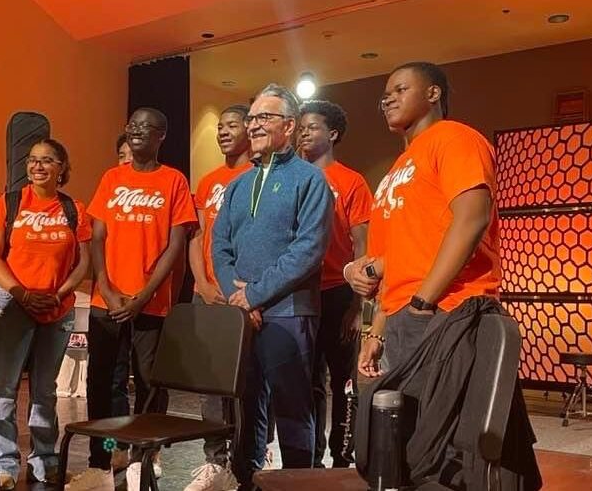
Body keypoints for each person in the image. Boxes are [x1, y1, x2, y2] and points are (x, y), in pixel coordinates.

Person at [67, 107, 198, 491]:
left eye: (146, 127)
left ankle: (145, 455)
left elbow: (175, 246)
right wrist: (106, 288)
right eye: (132, 126)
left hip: (151, 303)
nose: (137, 131)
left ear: (161, 136)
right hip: (106, 301)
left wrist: (143, 296)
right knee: (102, 383)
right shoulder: (112, 178)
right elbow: (98, 236)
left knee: (149, 382)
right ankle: (103, 457)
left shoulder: (173, 181)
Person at [344, 61, 500, 377]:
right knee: (404, 422)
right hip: (403, 314)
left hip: (446, 306)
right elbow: (395, 260)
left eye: (400, 90)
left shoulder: (454, 137)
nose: (388, 100)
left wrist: (423, 302)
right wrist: (377, 329)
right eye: (385, 95)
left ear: (433, 93)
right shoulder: (399, 166)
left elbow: (472, 218)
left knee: (443, 423)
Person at [213, 83, 333, 488]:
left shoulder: (310, 180)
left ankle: (301, 481)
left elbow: (308, 250)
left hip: (289, 312)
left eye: (265, 117)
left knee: (294, 407)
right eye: (252, 118)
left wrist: (255, 294)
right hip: (244, 313)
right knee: (247, 404)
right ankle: (248, 479)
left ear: (290, 125)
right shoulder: (237, 186)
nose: (255, 125)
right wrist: (238, 296)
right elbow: (220, 245)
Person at [0, 139, 91, 489]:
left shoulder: (74, 209)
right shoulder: (10, 203)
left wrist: (58, 294)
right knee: (4, 388)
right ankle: (3, 465)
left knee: (45, 391)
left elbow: (83, 262)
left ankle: (44, 461)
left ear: (62, 167)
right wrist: (21, 293)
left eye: (47, 160)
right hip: (14, 304)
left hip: (57, 308)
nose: (38, 166)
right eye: (32, 160)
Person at [298, 99, 373, 468]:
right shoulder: (293, 176)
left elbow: (363, 245)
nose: (303, 133)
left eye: (311, 127)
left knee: (343, 381)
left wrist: (359, 307)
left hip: (339, 294)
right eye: (301, 127)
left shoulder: (351, 181)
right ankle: (309, 458)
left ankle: (342, 457)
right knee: (309, 381)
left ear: (332, 134)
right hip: (300, 294)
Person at [184, 104, 252, 491]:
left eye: (232, 125)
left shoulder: (258, 177)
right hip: (205, 294)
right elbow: (196, 237)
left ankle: (244, 462)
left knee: (243, 386)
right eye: (220, 127)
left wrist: (237, 291)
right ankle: (215, 460)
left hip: (242, 297)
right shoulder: (208, 181)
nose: (223, 132)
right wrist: (204, 285)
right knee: (208, 384)